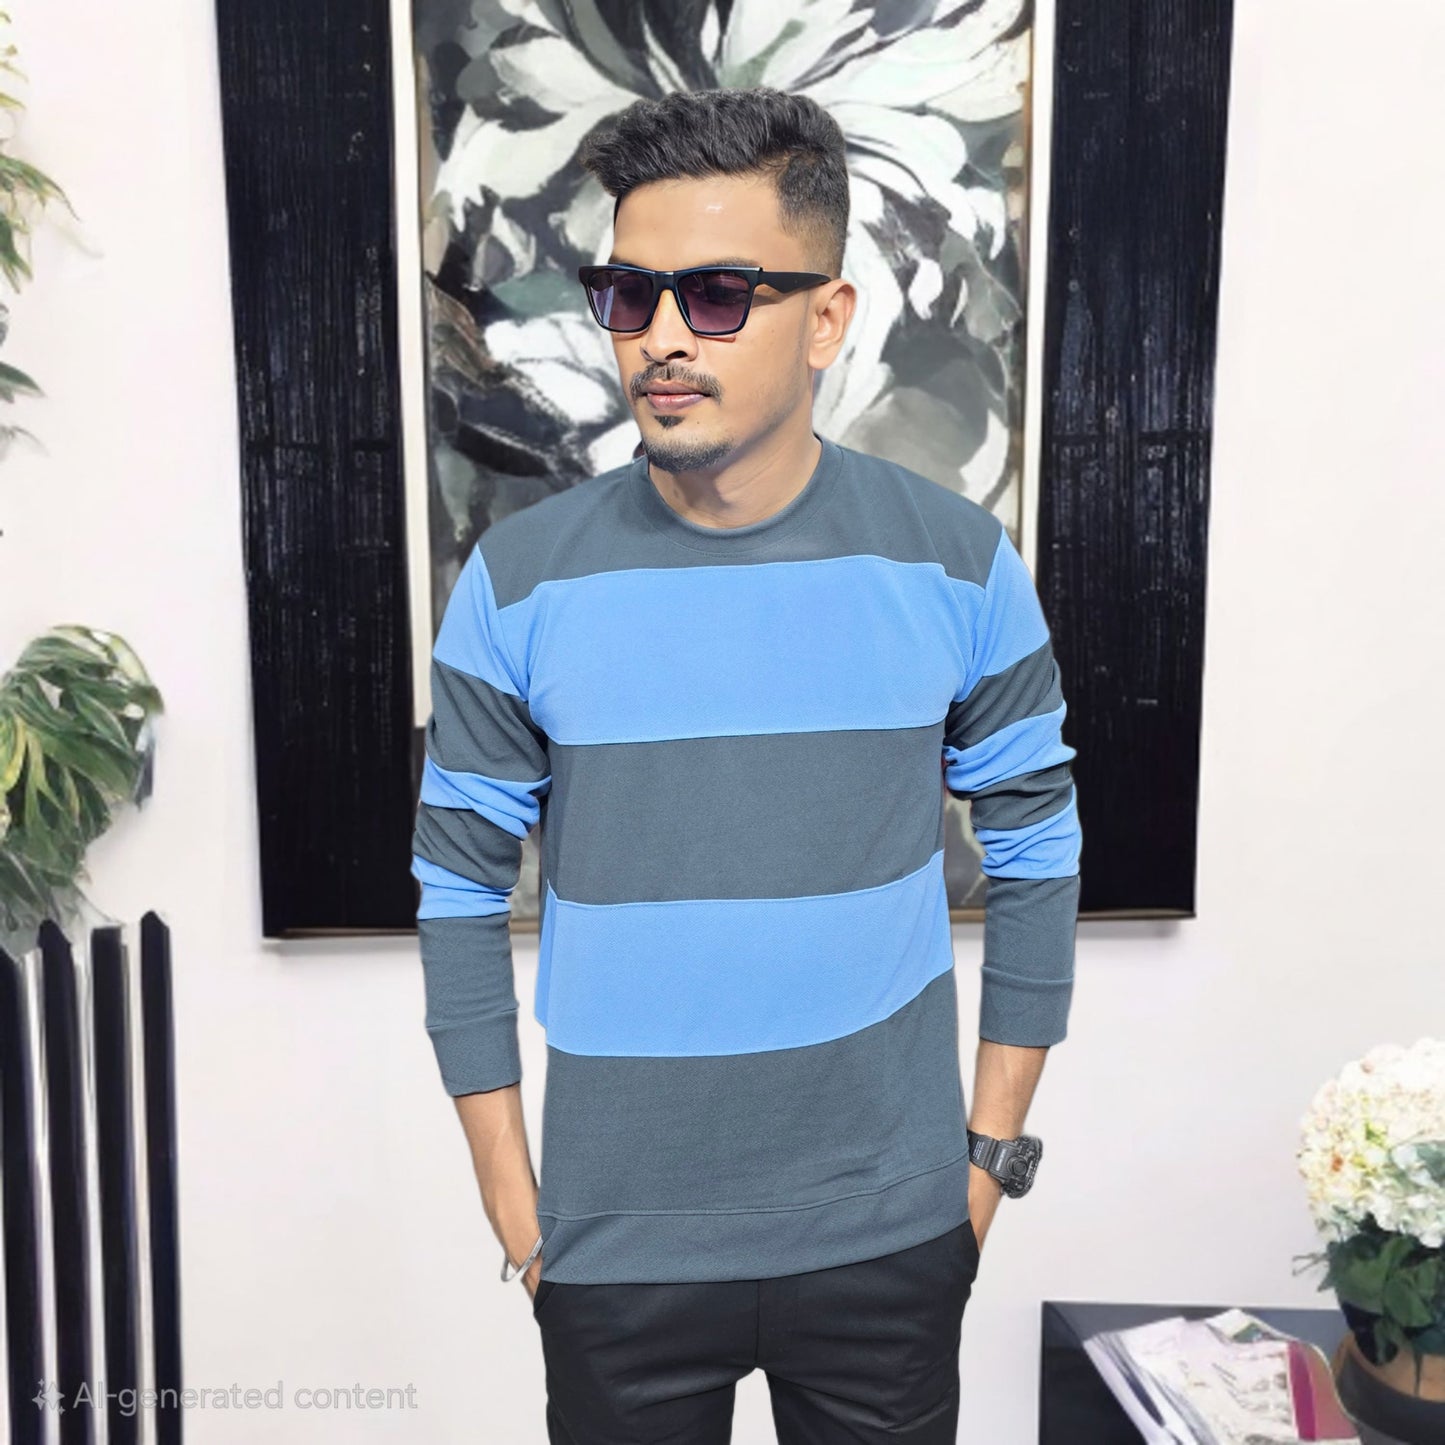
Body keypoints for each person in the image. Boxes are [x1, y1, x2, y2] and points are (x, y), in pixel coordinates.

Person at [410, 84, 1083, 1445]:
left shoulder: (956, 562)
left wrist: (986, 1163)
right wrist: (515, 1206)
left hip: (891, 1240)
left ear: (826, 320)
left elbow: (1037, 842)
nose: (661, 338)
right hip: (613, 1253)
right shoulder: (518, 581)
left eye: (717, 295)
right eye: (630, 294)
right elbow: (457, 885)